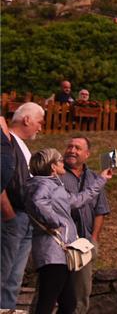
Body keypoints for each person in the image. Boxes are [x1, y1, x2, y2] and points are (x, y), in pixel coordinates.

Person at [25, 147, 112, 314]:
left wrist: (101, 179)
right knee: (46, 302)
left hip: (60, 253)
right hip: (52, 253)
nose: (62, 162)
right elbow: (38, 201)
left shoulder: (54, 185)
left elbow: (79, 200)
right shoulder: (43, 184)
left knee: (68, 304)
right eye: (59, 161)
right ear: (52, 166)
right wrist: (55, 221)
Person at [1, 102, 45, 310]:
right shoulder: (6, 141)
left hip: (25, 218)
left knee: (14, 278)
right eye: (39, 122)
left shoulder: (22, 146)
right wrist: (8, 213)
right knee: (3, 272)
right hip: (11, 217)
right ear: (27, 119)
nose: (40, 127)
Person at [61, 136, 111, 314]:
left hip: (84, 243)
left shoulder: (94, 178)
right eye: (69, 146)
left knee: (81, 292)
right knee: (52, 289)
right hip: (60, 242)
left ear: (87, 154)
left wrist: (94, 239)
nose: (72, 150)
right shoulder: (57, 174)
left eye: (77, 148)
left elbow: (100, 210)